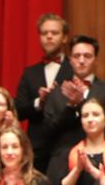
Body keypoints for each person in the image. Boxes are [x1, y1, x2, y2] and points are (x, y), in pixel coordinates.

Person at [41, 35, 105, 157]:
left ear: (95, 60)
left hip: (98, 158)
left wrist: (81, 104)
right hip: (63, 158)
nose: (82, 61)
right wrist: (70, 107)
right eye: (77, 56)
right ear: (70, 60)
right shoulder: (57, 91)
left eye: (87, 56)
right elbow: (47, 132)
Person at [17, 13, 73, 172]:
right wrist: (38, 102)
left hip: (67, 145)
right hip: (37, 148)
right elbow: (19, 110)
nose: (49, 37)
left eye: (54, 33)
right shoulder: (30, 73)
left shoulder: (74, 69)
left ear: (64, 38)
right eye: (44, 33)